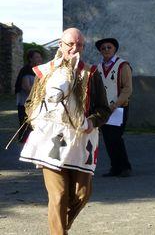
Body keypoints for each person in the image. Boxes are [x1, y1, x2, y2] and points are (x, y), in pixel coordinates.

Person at [19, 28, 111, 235]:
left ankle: (60, 225)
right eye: (70, 44)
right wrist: (36, 117)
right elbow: (30, 103)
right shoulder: (46, 71)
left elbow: (104, 110)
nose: (74, 49)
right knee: (59, 194)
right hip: (52, 141)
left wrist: (91, 122)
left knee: (82, 194)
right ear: (60, 45)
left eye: (79, 45)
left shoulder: (91, 74)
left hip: (81, 141)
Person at [94, 38, 133, 177]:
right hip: (103, 109)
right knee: (107, 138)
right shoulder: (98, 68)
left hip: (118, 108)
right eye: (103, 48)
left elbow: (127, 89)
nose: (106, 50)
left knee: (116, 137)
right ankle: (115, 167)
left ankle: (125, 167)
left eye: (109, 47)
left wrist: (116, 104)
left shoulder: (123, 66)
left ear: (114, 49)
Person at [15, 48, 43, 142]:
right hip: (25, 104)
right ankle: (23, 148)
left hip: (35, 104)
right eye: (37, 57)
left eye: (40, 57)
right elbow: (26, 87)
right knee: (25, 127)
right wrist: (42, 91)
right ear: (30, 59)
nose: (39, 59)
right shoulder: (26, 70)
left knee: (34, 127)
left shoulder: (39, 70)